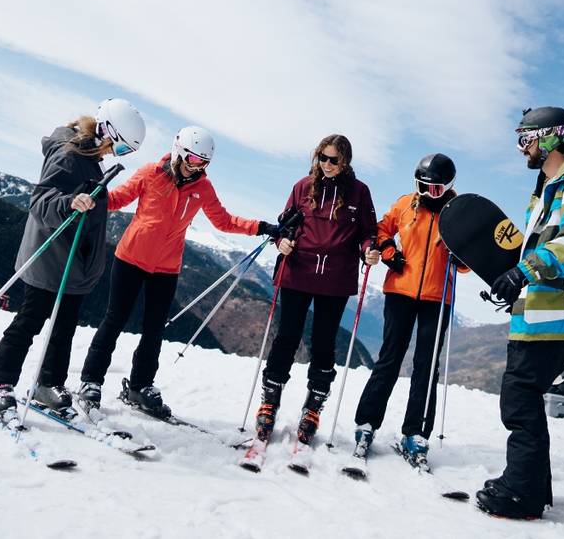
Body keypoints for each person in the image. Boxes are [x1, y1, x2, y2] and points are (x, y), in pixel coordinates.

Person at [476, 107, 564, 520]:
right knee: (523, 394)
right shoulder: (548, 188)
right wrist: (515, 280)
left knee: (519, 395)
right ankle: (531, 487)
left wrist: (524, 272)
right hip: (546, 311)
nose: (522, 148)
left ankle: (521, 493)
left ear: (550, 138)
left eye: (526, 138)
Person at [76, 126, 277, 418]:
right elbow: (118, 199)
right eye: (194, 160)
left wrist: (260, 226)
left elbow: (223, 221)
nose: (198, 168)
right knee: (114, 320)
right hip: (130, 258)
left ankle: (140, 385)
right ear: (180, 152)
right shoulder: (150, 173)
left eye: (204, 164)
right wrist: (95, 195)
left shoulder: (202, 188)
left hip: (166, 268)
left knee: (154, 329)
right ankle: (91, 381)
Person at [0, 99, 146, 417]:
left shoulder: (90, 155)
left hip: (73, 263)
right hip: (52, 256)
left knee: (64, 327)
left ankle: (48, 384)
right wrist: (69, 202)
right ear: (105, 131)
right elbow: (41, 199)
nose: (116, 154)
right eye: (121, 148)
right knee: (30, 320)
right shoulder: (69, 153)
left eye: (124, 153)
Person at [254, 134, 380, 447]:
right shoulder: (302, 187)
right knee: (287, 336)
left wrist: (369, 250)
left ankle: (313, 407)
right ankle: (270, 401)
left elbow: (368, 232)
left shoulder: (359, 193)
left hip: (335, 278)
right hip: (298, 270)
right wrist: (281, 241)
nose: (325, 164)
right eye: (321, 157)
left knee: (324, 342)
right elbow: (285, 225)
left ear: (345, 161)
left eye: (332, 159)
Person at [350, 153, 465, 467]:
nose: (427, 194)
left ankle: (416, 433)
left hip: (437, 297)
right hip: (400, 290)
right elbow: (380, 230)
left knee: (426, 367)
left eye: (435, 190)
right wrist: (388, 252)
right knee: (389, 357)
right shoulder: (405, 204)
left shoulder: (458, 214)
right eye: (422, 186)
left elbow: (468, 259)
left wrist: (462, 258)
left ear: (448, 187)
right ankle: (367, 423)